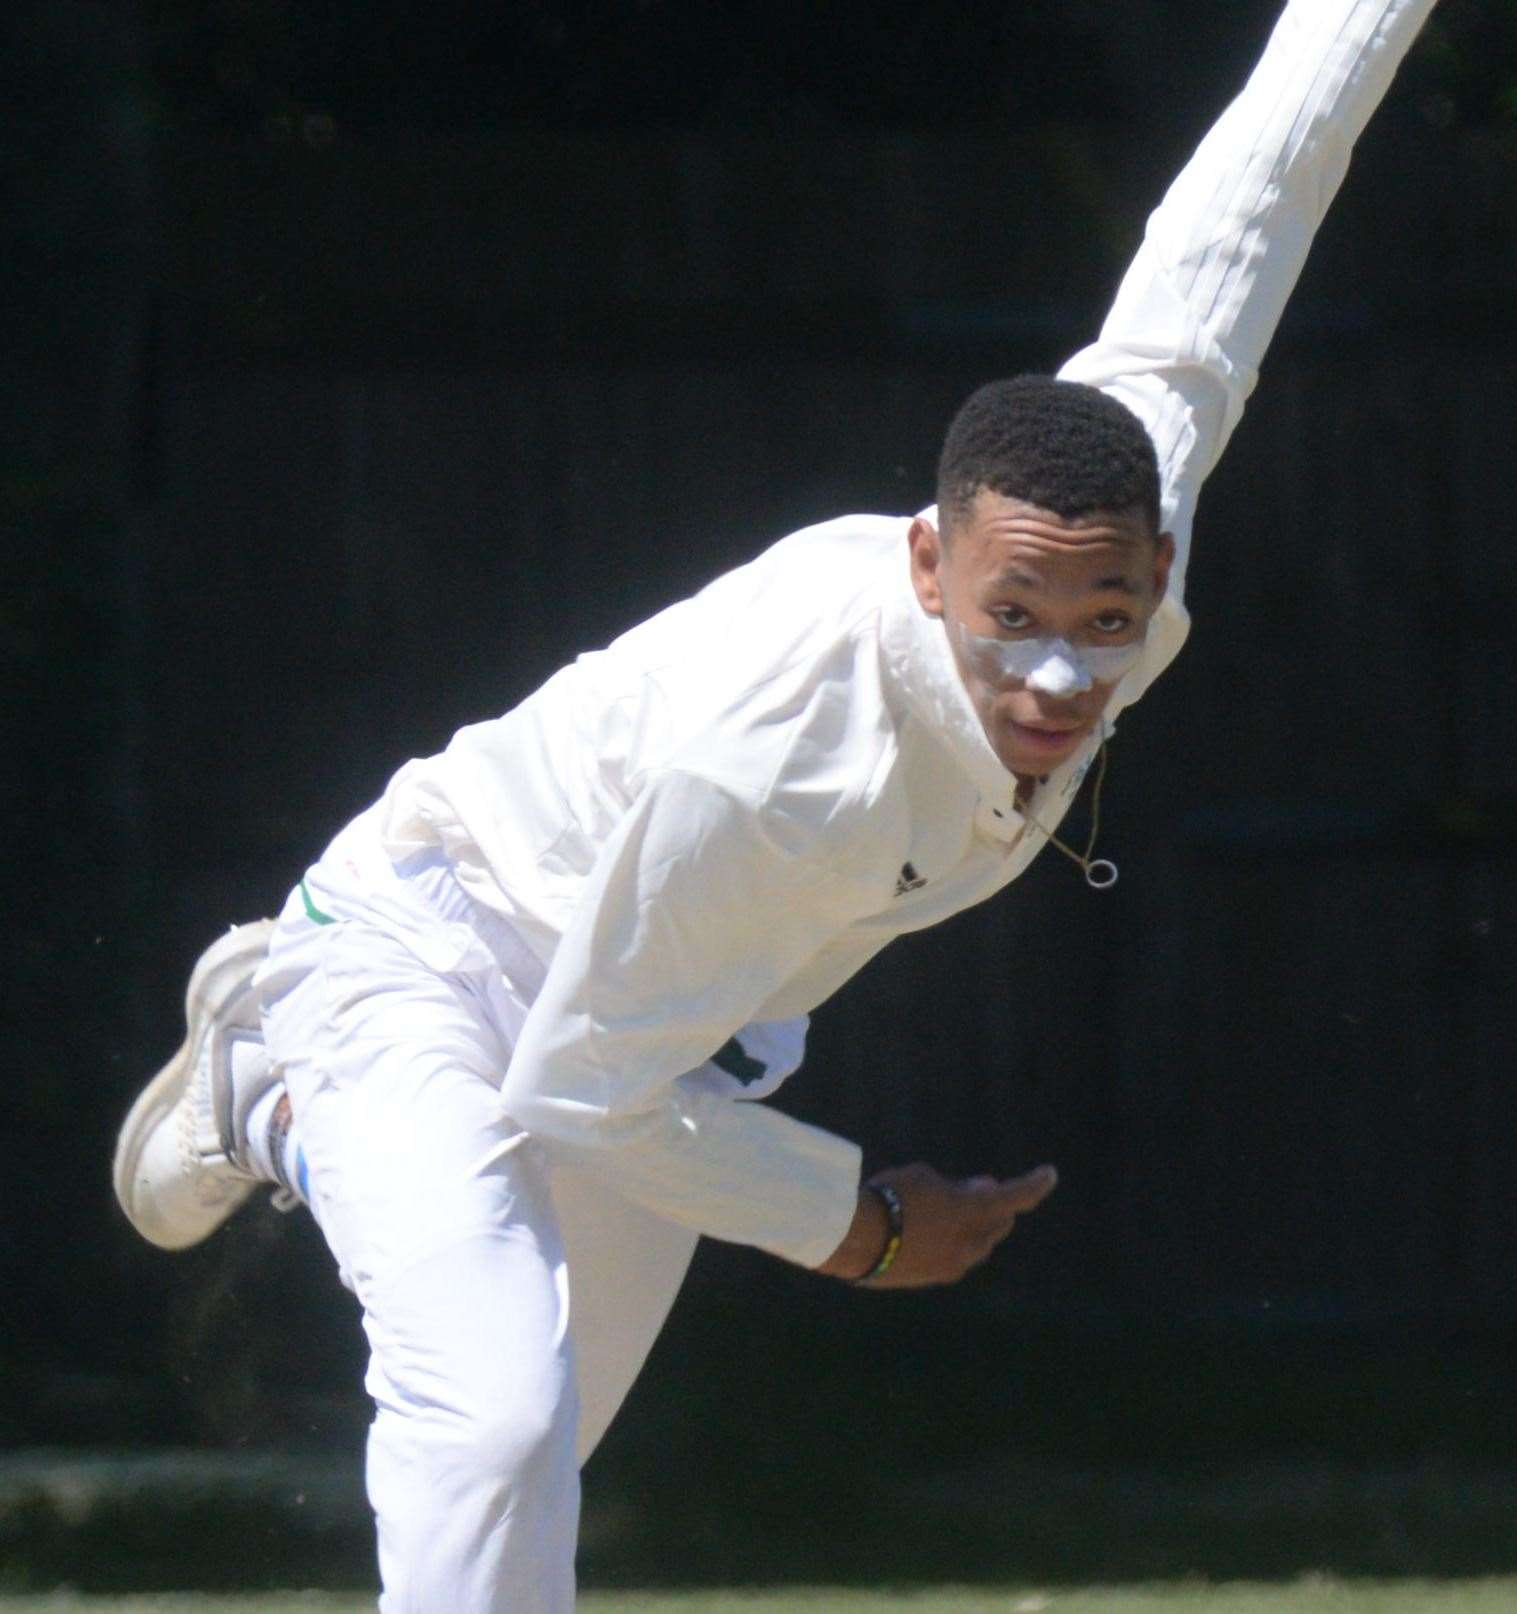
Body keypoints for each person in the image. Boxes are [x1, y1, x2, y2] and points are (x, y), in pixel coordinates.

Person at [113, 1, 1439, 1606]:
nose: (1061, 680)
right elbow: (579, 1087)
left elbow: (1243, 213)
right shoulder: (782, 758)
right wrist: (858, 1222)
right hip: (434, 962)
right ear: (927, 563)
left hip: (661, 1019)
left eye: (1105, 622)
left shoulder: (1116, 508)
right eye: (1012, 616)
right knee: (495, 1413)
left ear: (1152, 572)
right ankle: (268, 1070)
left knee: (529, 1467)